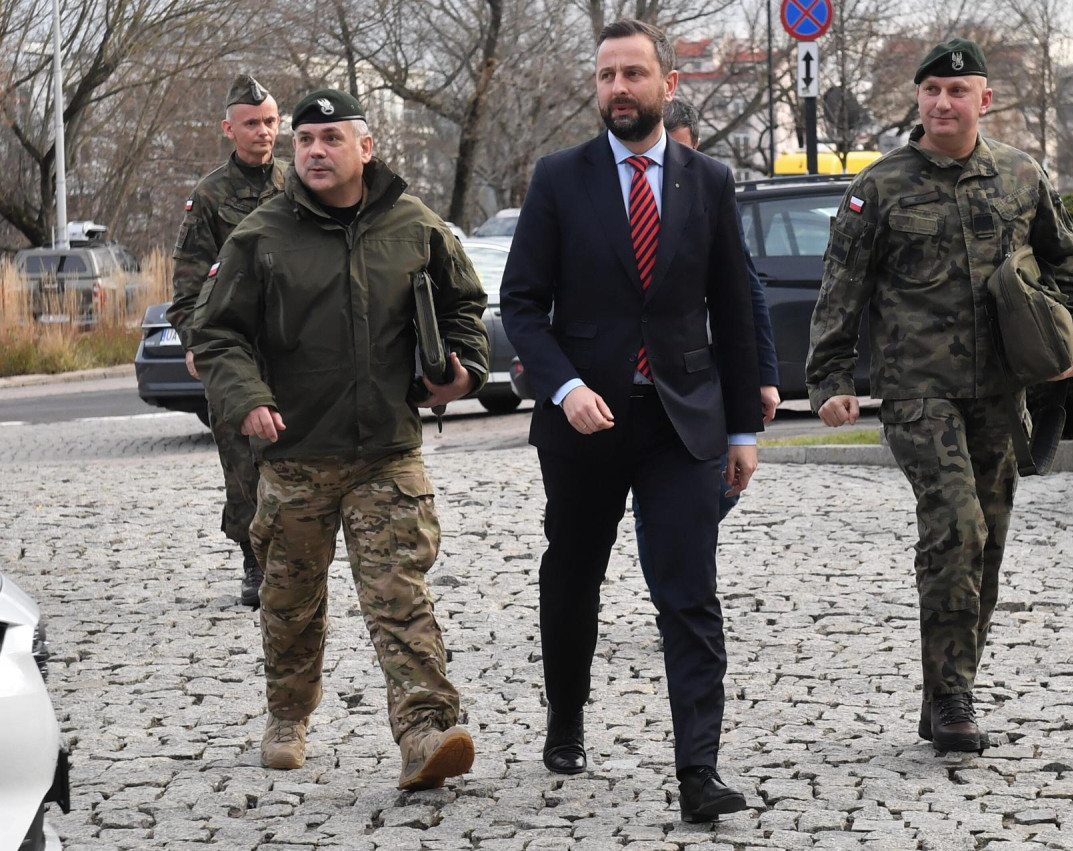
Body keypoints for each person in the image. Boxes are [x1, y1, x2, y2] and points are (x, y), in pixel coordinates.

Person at [806, 37, 1073, 752]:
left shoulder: (1021, 176)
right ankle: (952, 699)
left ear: (984, 100)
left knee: (990, 543)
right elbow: (839, 294)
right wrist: (830, 380)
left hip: (1001, 395)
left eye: (958, 90)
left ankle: (950, 679)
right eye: (932, 91)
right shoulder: (876, 189)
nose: (944, 102)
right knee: (955, 526)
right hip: (919, 394)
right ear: (918, 98)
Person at [189, 88, 489, 790]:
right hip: (295, 453)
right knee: (291, 599)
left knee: (399, 591)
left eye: (330, 138)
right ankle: (287, 713)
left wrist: (464, 371)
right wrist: (248, 399)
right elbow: (217, 332)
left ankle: (425, 731)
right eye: (305, 140)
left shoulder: (414, 224)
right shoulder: (261, 235)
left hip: (387, 448)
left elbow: (464, 306)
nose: (315, 151)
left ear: (366, 147)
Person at [500, 19, 762, 824]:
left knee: (688, 593)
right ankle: (567, 717)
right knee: (574, 574)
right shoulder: (558, 178)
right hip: (585, 423)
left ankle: (698, 769)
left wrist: (745, 431)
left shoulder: (707, 180)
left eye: (633, 74)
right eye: (607, 75)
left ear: (666, 85)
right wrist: (564, 386)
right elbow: (521, 304)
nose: (618, 88)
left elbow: (735, 302)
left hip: (682, 421)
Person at [632, 98, 779, 565]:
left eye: (678, 152)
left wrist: (765, 376)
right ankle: (673, 586)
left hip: (706, 375)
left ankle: (674, 554)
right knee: (667, 508)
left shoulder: (708, 185)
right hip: (647, 376)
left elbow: (744, 291)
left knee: (719, 491)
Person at [167, 74, 287, 608]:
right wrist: (196, 342)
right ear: (228, 129)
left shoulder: (299, 182)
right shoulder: (211, 196)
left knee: (295, 454)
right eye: (252, 124)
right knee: (242, 461)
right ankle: (254, 561)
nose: (263, 132)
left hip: (292, 345)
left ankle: (295, 557)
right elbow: (189, 283)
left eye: (271, 122)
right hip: (235, 346)